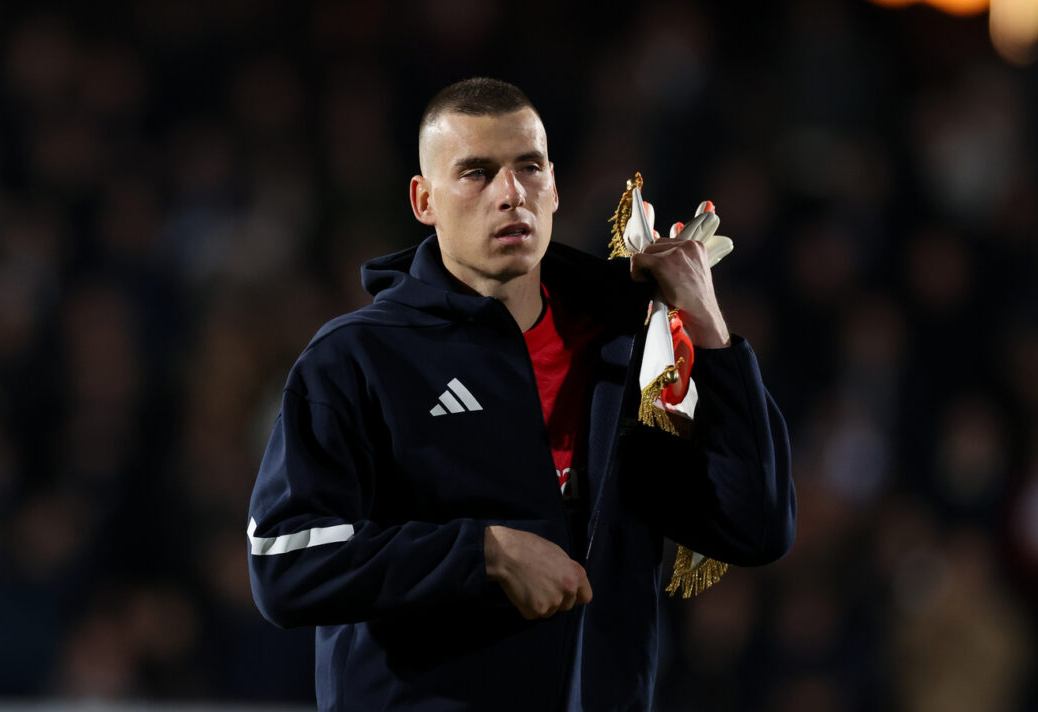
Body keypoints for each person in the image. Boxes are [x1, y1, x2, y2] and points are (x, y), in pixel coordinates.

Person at [247, 77, 795, 711]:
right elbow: (283, 563)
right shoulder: (358, 359)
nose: (511, 194)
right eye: (476, 173)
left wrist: (711, 332)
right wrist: (484, 553)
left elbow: (756, 525)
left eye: (528, 168)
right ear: (424, 200)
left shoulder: (620, 346)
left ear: (555, 186)